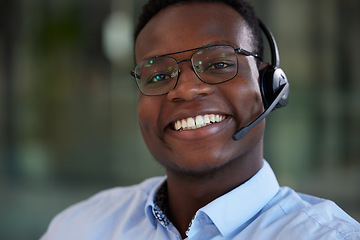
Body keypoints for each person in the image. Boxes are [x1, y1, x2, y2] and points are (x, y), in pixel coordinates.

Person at [41, 0, 360, 239]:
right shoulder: (78, 227)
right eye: (158, 75)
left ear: (269, 86)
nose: (187, 90)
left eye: (219, 64)